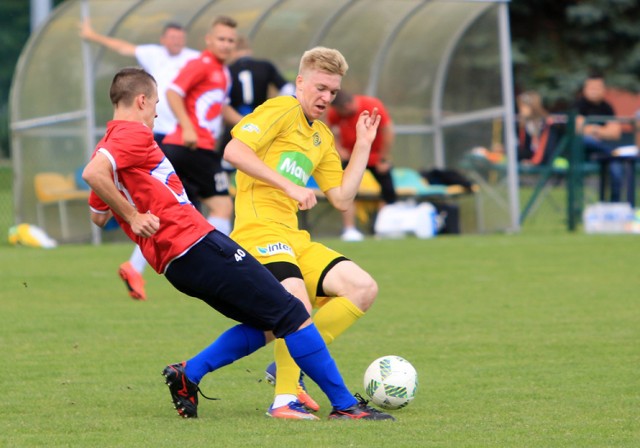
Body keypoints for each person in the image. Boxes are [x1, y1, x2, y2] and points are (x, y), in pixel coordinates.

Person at [82, 66, 394, 422]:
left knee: (271, 321)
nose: (156, 112)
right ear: (141, 100)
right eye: (155, 104)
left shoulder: (109, 144)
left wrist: (129, 207)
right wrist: (135, 216)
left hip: (175, 263)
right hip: (198, 244)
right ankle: (343, 406)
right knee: (293, 312)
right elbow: (93, 173)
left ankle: (189, 374)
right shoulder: (132, 134)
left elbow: (97, 215)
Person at [224, 47, 384, 420]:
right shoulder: (281, 108)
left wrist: (362, 145)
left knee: (362, 289)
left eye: (332, 92)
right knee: (296, 307)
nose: (326, 98)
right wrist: (291, 187)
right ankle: (283, 400)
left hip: (293, 237)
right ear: (300, 82)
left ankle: (291, 363)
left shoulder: (322, 137)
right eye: (320, 88)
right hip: (258, 229)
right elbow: (234, 150)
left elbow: (343, 198)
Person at [80, 19, 200, 301]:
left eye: (180, 37)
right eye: (171, 37)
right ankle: (199, 251)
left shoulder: (194, 58)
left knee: (169, 202)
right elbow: (121, 46)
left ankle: (136, 265)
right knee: (205, 202)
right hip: (163, 138)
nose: (176, 42)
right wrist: (92, 34)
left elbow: (98, 215)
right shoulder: (151, 55)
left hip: (175, 138)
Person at [162, 15, 242, 238]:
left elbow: (223, 108)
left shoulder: (223, 72)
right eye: (221, 39)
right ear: (209, 39)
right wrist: (187, 126)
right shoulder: (201, 64)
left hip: (188, 149)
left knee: (174, 215)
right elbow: (172, 92)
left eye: (230, 40)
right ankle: (216, 258)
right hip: (191, 147)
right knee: (222, 207)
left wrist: (252, 124)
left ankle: (133, 268)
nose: (226, 44)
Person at [327, 90, 397, 241]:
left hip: (375, 157)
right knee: (345, 190)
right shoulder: (335, 113)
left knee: (388, 191)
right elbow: (329, 131)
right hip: (353, 157)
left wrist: (384, 159)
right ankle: (350, 229)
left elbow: (388, 131)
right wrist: (339, 149)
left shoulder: (372, 106)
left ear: (348, 104)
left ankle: (382, 228)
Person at [217, 36, 294, 169]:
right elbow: (288, 89)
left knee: (226, 163)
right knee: (261, 163)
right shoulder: (265, 66)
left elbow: (220, 101)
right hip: (260, 123)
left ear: (233, 52)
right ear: (249, 50)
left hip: (234, 125)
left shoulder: (227, 70)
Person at [574, 72, 623, 201]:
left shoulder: (607, 108)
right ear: (585, 89)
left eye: (598, 88)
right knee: (588, 140)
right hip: (583, 154)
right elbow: (578, 129)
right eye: (592, 88)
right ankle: (611, 153)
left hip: (604, 152)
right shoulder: (578, 106)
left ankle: (614, 205)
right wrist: (602, 130)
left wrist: (592, 129)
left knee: (616, 166)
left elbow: (615, 133)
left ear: (604, 90)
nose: (594, 91)